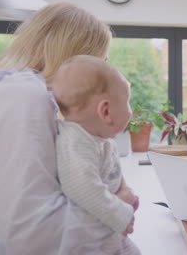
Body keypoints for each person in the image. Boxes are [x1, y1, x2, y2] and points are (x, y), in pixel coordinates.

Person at [0, 3, 139, 254]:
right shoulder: (26, 96)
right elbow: (30, 234)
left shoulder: (25, 93)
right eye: (102, 61)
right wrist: (117, 207)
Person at [52, 55, 139, 254]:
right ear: (106, 111)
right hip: (89, 242)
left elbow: (112, 171)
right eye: (127, 103)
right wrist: (121, 211)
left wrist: (126, 190)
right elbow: (83, 188)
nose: (131, 111)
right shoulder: (74, 142)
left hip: (108, 232)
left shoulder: (101, 139)